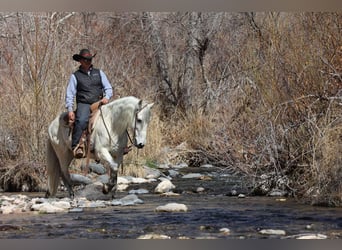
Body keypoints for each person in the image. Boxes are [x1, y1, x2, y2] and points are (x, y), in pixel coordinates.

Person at [65, 48, 113, 158]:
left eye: (89, 59)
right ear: (80, 61)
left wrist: (107, 97)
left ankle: (118, 145)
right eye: (86, 60)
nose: (88, 62)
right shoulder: (75, 76)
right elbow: (70, 93)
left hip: (100, 102)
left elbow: (108, 88)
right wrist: (70, 109)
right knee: (81, 120)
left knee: (115, 117)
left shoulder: (99, 73)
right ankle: (77, 146)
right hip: (84, 103)